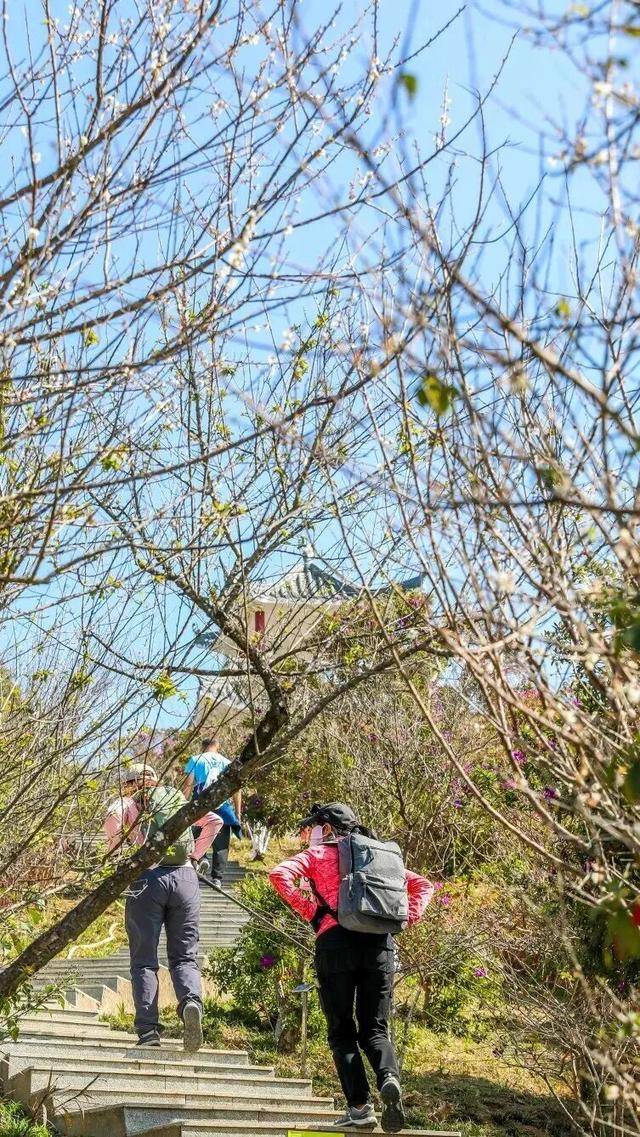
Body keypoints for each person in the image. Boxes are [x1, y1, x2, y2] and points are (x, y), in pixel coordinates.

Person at [269, 802, 433, 1133]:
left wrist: (313, 913)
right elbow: (424, 885)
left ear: (326, 828)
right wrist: (404, 918)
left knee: (342, 1031)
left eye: (313, 827)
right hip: (380, 945)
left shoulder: (317, 855)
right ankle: (388, 1078)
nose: (310, 833)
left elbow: (279, 874)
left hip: (336, 944)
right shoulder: (378, 855)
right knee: (375, 1028)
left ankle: (360, 1108)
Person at [103, 762, 223, 1049]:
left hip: (147, 878)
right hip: (185, 878)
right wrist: (194, 855)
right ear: (155, 781)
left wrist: (118, 854)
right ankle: (190, 1003)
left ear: (129, 784)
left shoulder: (127, 802)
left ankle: (148, 1032)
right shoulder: (175, 799)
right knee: (184, 956)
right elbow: (215, 821)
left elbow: (112, 820)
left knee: (144, 958)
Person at [183, 737, 242, 889]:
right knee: (221, 845)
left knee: (194, 837)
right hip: (223, 806)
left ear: (203, 747)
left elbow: (189, 785)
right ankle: (217, 878)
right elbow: (236, 791)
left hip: (200, 806)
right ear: (217, 746)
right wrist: (238, 813)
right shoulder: (228, 763)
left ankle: (201, 858)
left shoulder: (196, 760)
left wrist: (182, 806)